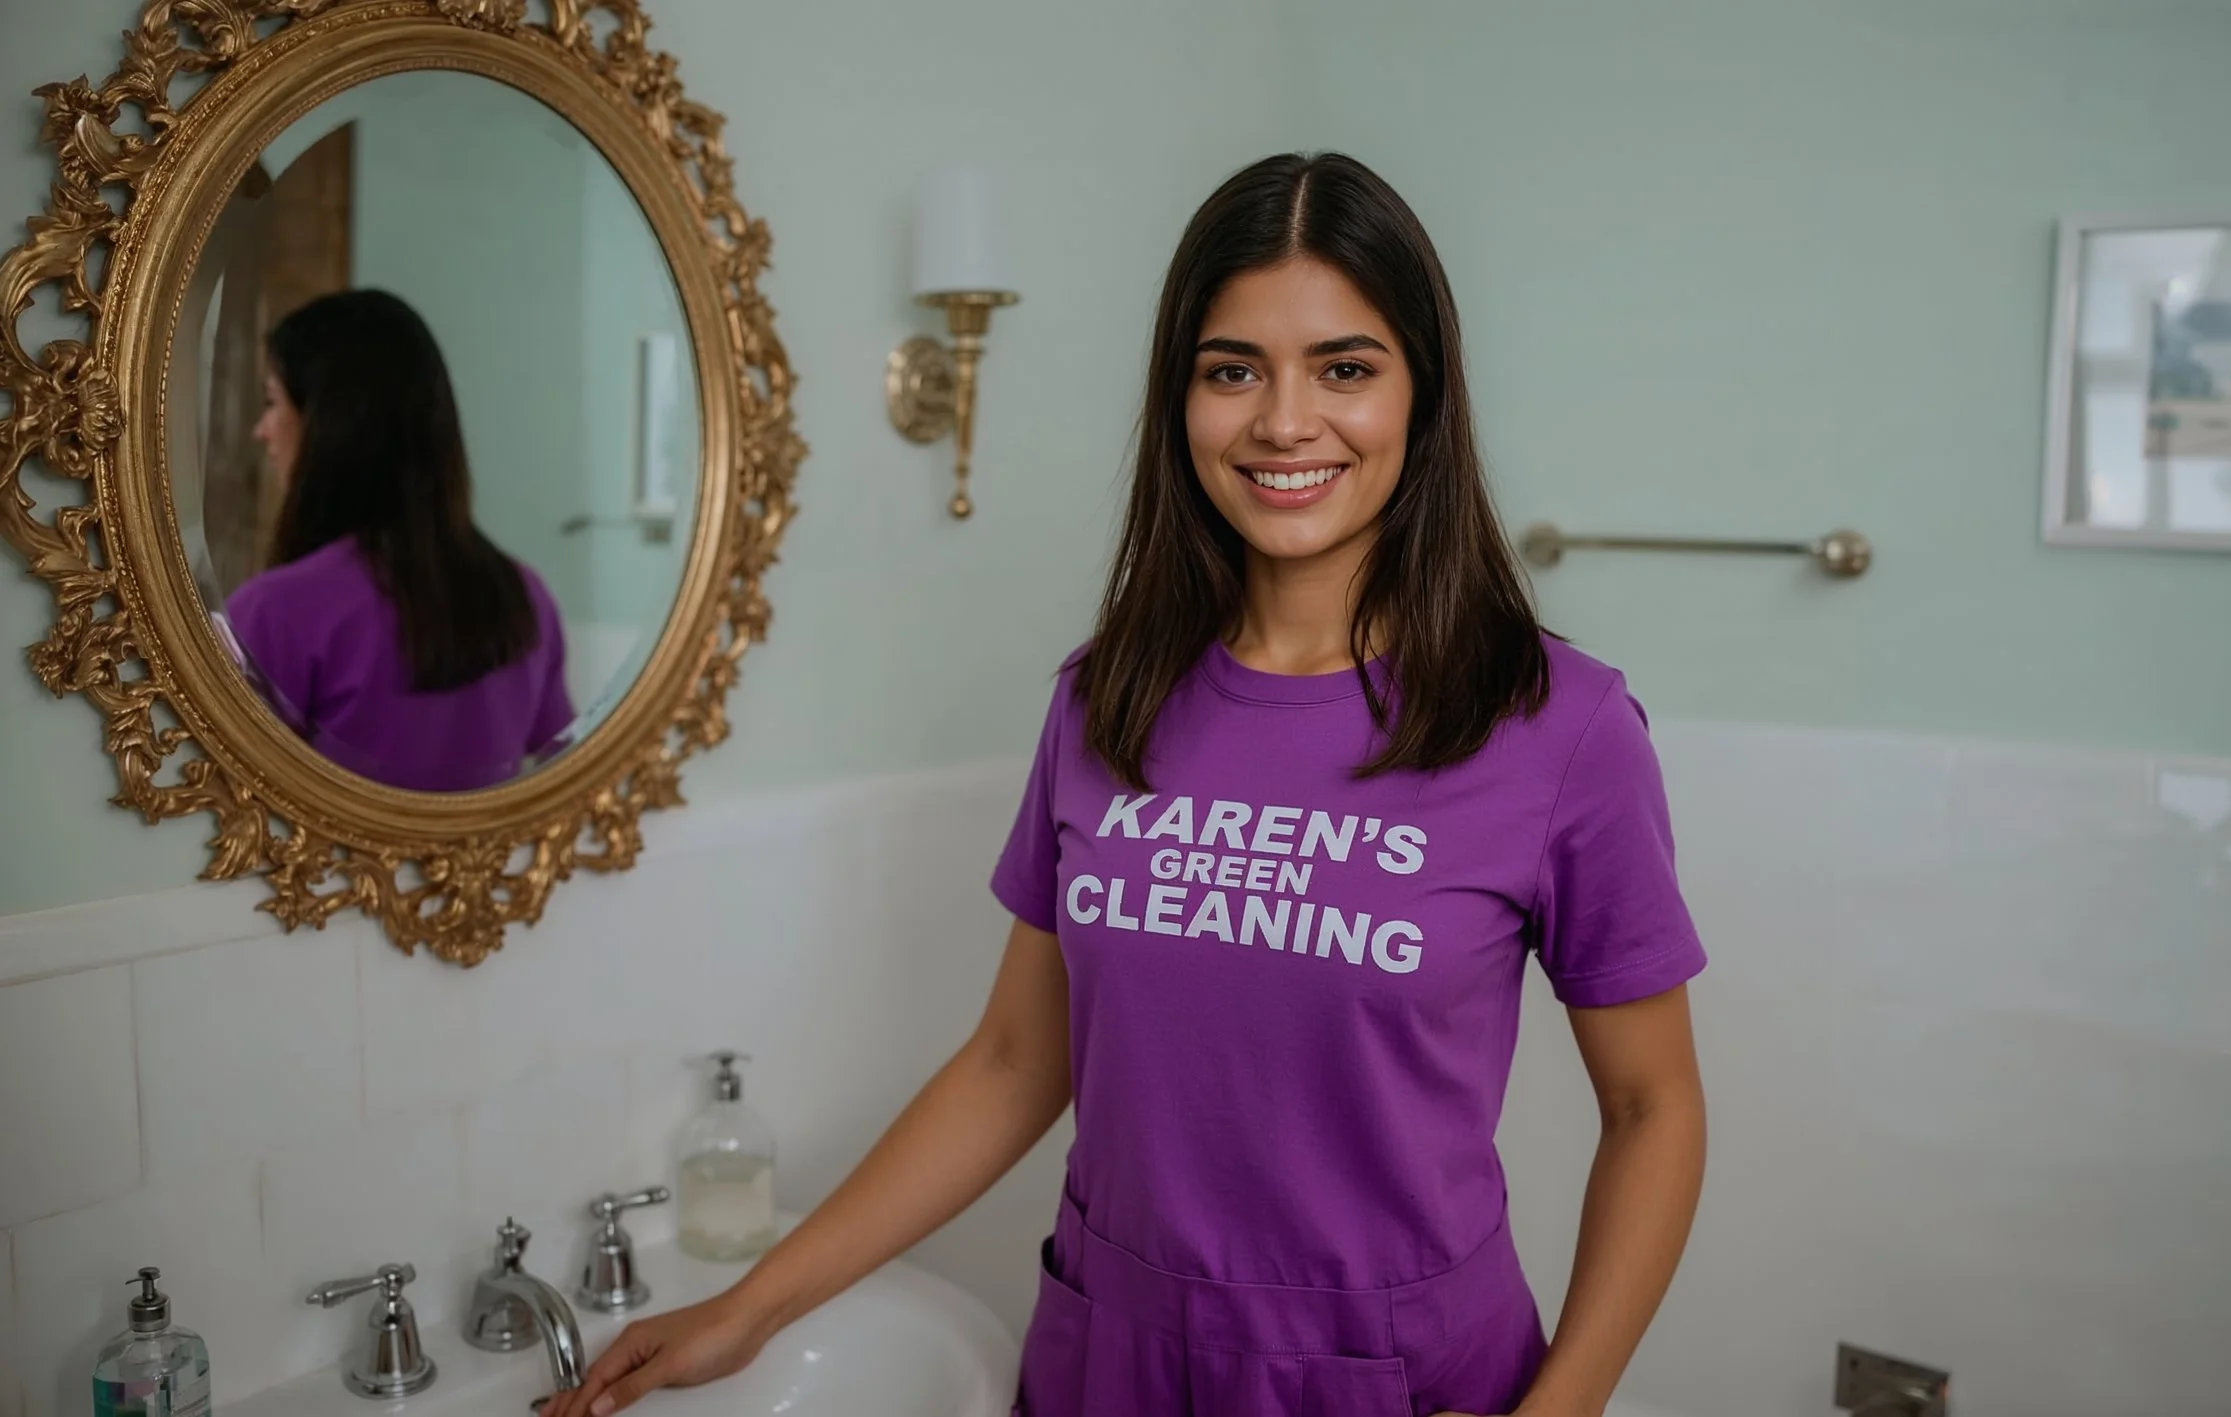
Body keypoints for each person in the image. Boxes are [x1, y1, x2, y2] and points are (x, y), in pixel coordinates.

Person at [547, 152, 1707, 1417]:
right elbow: (1010, 1060)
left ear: (1422, 395)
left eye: (1345, 367)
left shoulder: (1557, 724)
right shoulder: (1107, 698)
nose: (1282, 421)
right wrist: (753, 1304)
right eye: (1231, 370)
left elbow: (1652, 1106)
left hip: (1399, 1371)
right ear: (1181, 399)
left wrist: (1567, 1406)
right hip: (1112, 1357)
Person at [224, 289, 573, 793]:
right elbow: (561, 775)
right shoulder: (525, 597)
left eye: (272, 401)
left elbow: (226, 811)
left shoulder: (273, 612)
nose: (262, 430)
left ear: (329, 423)